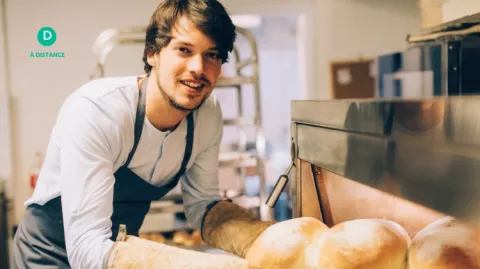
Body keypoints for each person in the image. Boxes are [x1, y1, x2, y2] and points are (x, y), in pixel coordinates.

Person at [12, 1, 275, 268]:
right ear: (152, 53)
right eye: (184, 50)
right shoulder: (97, 111)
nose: (198, 68)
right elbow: (85, 250)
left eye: (212, 55)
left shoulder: (207, 114)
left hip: (112, 255)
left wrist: (264, 239)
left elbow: (202, 204)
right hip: (47, 255)